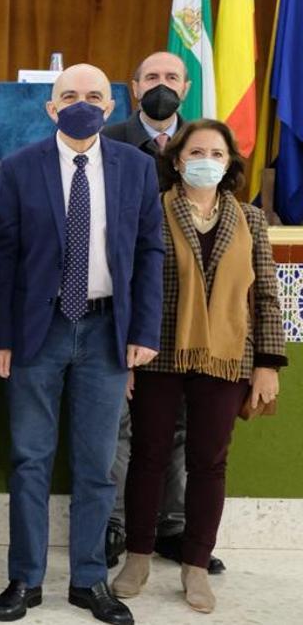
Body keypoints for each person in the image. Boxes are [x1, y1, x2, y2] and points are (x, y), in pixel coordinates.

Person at [0, 64, 164, 625]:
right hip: (39, 333)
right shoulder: (19, 168)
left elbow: (150, 253)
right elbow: (3, 259)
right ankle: (25, 578)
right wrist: (0, 337)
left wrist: (144, 331)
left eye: (93, 95)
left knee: (95, 466)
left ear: (111, 106)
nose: (81, 103)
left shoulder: (138, 168)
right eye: (69, 95)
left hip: (108, 332)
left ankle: (89, 581)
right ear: (50, 107)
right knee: (30, 461)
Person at [111, 119, 285, 614]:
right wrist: (125, 356)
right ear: (177, 158)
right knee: (148, 455)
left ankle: (194, 565)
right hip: (158, 351)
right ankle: (138, 556)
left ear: (229, 163)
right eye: (196, 151)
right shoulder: (153, 209)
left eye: (217, 152)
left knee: (209, 463)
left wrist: (268, 363)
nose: (206, 159)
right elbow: (129, 284)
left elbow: (266, 295)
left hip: (228, 356)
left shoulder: (249, 220)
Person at [100, 51, 222, 573]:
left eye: (172, 77)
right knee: (121, 426)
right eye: (152, 77)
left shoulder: (202, 145)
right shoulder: (109, 144)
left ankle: (171, 526)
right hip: (125, 308)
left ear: (187, 85)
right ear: (133, 87)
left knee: (178, 429)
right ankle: (117, 525)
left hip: (185, 316)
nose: (162, 85)